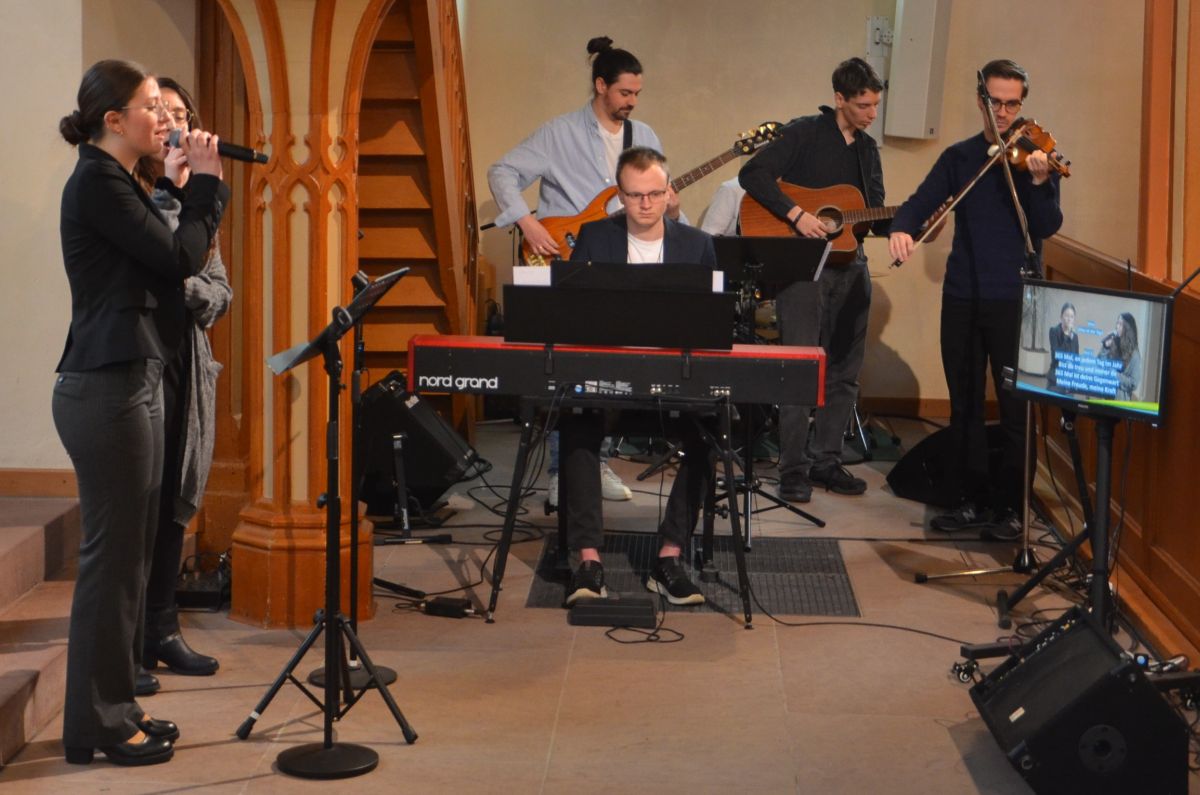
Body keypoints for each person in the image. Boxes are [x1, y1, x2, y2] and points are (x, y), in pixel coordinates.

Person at [54, 59, 227, 766]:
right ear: (113, 120)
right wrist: (208, 184)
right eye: (151, 106)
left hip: (135, 378)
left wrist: (180, 189)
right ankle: (98, 723)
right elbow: (181, 258)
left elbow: (168, 262)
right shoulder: (97, 182)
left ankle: (115, 709)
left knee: (131, 558)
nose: (165, 119)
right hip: (107, 386)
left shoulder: (121, 181)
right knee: (113, 560)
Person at [488, 36, 685, 510]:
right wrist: (528, 222)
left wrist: (672, 207)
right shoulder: (558, 133)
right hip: (569, 258)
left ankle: (596, 462)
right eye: (624, 92)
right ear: (600, 86)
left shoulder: (646, 136)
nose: (632, 101)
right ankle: (563, 472)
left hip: (624, 265)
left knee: (615, 370)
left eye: (637, 93)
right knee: (571, 371)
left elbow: (656, 201)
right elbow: (502, 171)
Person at [889, 59, 1062, 538]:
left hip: (1015, 297)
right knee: (964, 402)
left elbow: (1047, 226)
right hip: (963, 294)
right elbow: (919, 203)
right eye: (995, 102)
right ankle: (967, 498)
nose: (1003, 113)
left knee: (1015, 407)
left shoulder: (1035, 159)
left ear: (1021, 104)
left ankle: (1010, 507)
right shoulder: (961, 158)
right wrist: (902, 229)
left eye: (1012, 104)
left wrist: (1040, 184)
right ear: (981, 100)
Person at [561, 147, 715, 606]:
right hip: (610, 376)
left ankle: (669, 557)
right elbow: (575, 313)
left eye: (654, 193)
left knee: (708, 432)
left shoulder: (697, 245)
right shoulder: (595, 237)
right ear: (619, 195)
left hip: (671, 378)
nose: (646, 204)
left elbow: (710, 323)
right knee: (577, 424)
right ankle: (588, 560)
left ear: (669, 192)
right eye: (634, 195)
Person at [738, 57, 888, 503]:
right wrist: (797, 214)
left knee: (844, 372)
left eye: (875, 105)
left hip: (851, 266)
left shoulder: (867, 150)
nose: (871, 114)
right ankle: (793, 469)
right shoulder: (803, 132)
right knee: (800, 367)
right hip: (804, 268)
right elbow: (752, 174)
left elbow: (874, 211)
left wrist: (910, 225)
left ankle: (827, 460)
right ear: (840, 99)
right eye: (863, 105)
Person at [133, 78, 230, 678]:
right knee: (140, 506)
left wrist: (189, 288)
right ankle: (130, 642)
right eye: (161, 111)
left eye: (181, 113)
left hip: (186, 366)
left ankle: (163, 629)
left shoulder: (201, 199)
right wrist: (181, 282)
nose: (172, 123)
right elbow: (150, 270)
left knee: (173, 502)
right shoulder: (134, 191)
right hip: (140, 363)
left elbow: (219, 291)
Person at [1100, 312, 1141, 400]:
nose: (1117, 326)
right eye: (1117, 323)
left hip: (1120, 401)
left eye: (1120, 324)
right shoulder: (1113, 344)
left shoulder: (1134, 354)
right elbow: (1099, 365)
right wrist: (1105, 347)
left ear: (1127, 328)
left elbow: (1134, 383)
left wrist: (1115, 375)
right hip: (1106, 397)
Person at [1047, 302, 1078, 392]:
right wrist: (1067, 335)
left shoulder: (1075, 337)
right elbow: (1056, 356)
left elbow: (1076, 359)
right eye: (1067, 316)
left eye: (1072, 317)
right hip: (1055, 380)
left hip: (1069, 382)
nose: (1069, 319)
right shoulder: (1054, 331)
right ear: (1061, 317)